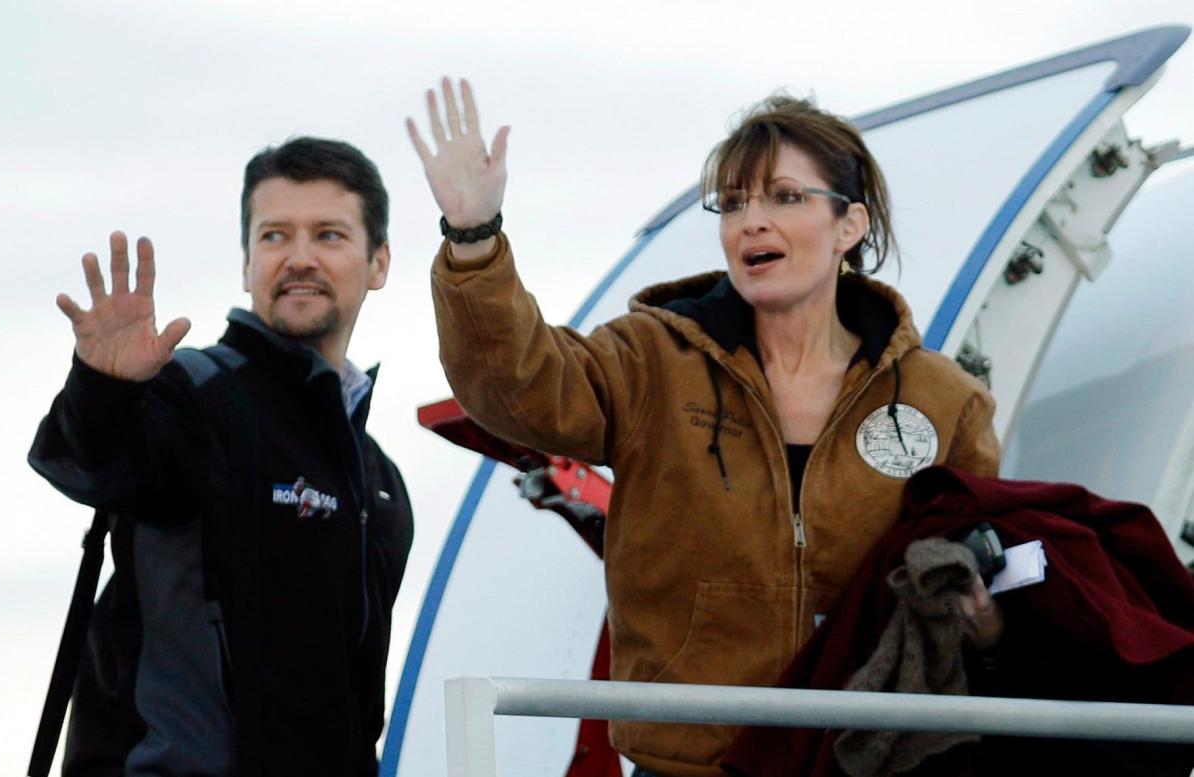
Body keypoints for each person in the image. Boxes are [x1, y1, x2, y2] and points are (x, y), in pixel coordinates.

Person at [408, 79, 1002, 777]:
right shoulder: (653, 358)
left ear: (851, 225)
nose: (750, 221)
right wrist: (474, 240)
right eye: (734, 202)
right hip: (687, 764)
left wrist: (986, 619)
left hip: (872, 760)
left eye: (784, 197)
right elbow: (520, 388)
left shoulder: (943, 399)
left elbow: (988, 574)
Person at [28, 137, 413, 776]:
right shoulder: (196, 393)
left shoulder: (378, 482)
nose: (299, 258)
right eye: (273, 236)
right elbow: (93, 463)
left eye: (329, 235)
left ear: (379, 262)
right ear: (245, 263)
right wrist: (105, 388)